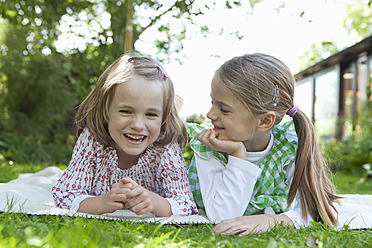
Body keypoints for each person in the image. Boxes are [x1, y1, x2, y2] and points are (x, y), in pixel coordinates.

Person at [187, 53, 340, 235]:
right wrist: (237, 154)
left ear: (265, 121)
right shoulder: (208, 145)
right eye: (212, 102)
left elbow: (317, 209)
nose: (210, 114)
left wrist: (273, 220)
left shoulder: (287, 147)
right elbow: (223, 215)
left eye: (224, 109)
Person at [52, 54, 197, 217]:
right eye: (125, 111)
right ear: (106, 110)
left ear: (163, 118)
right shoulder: (92, 141)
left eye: (151, 114)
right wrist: (103, 202)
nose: (137, 125)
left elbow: (185, 204)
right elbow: (65, 195)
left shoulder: (165, 148)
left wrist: (153, 201)